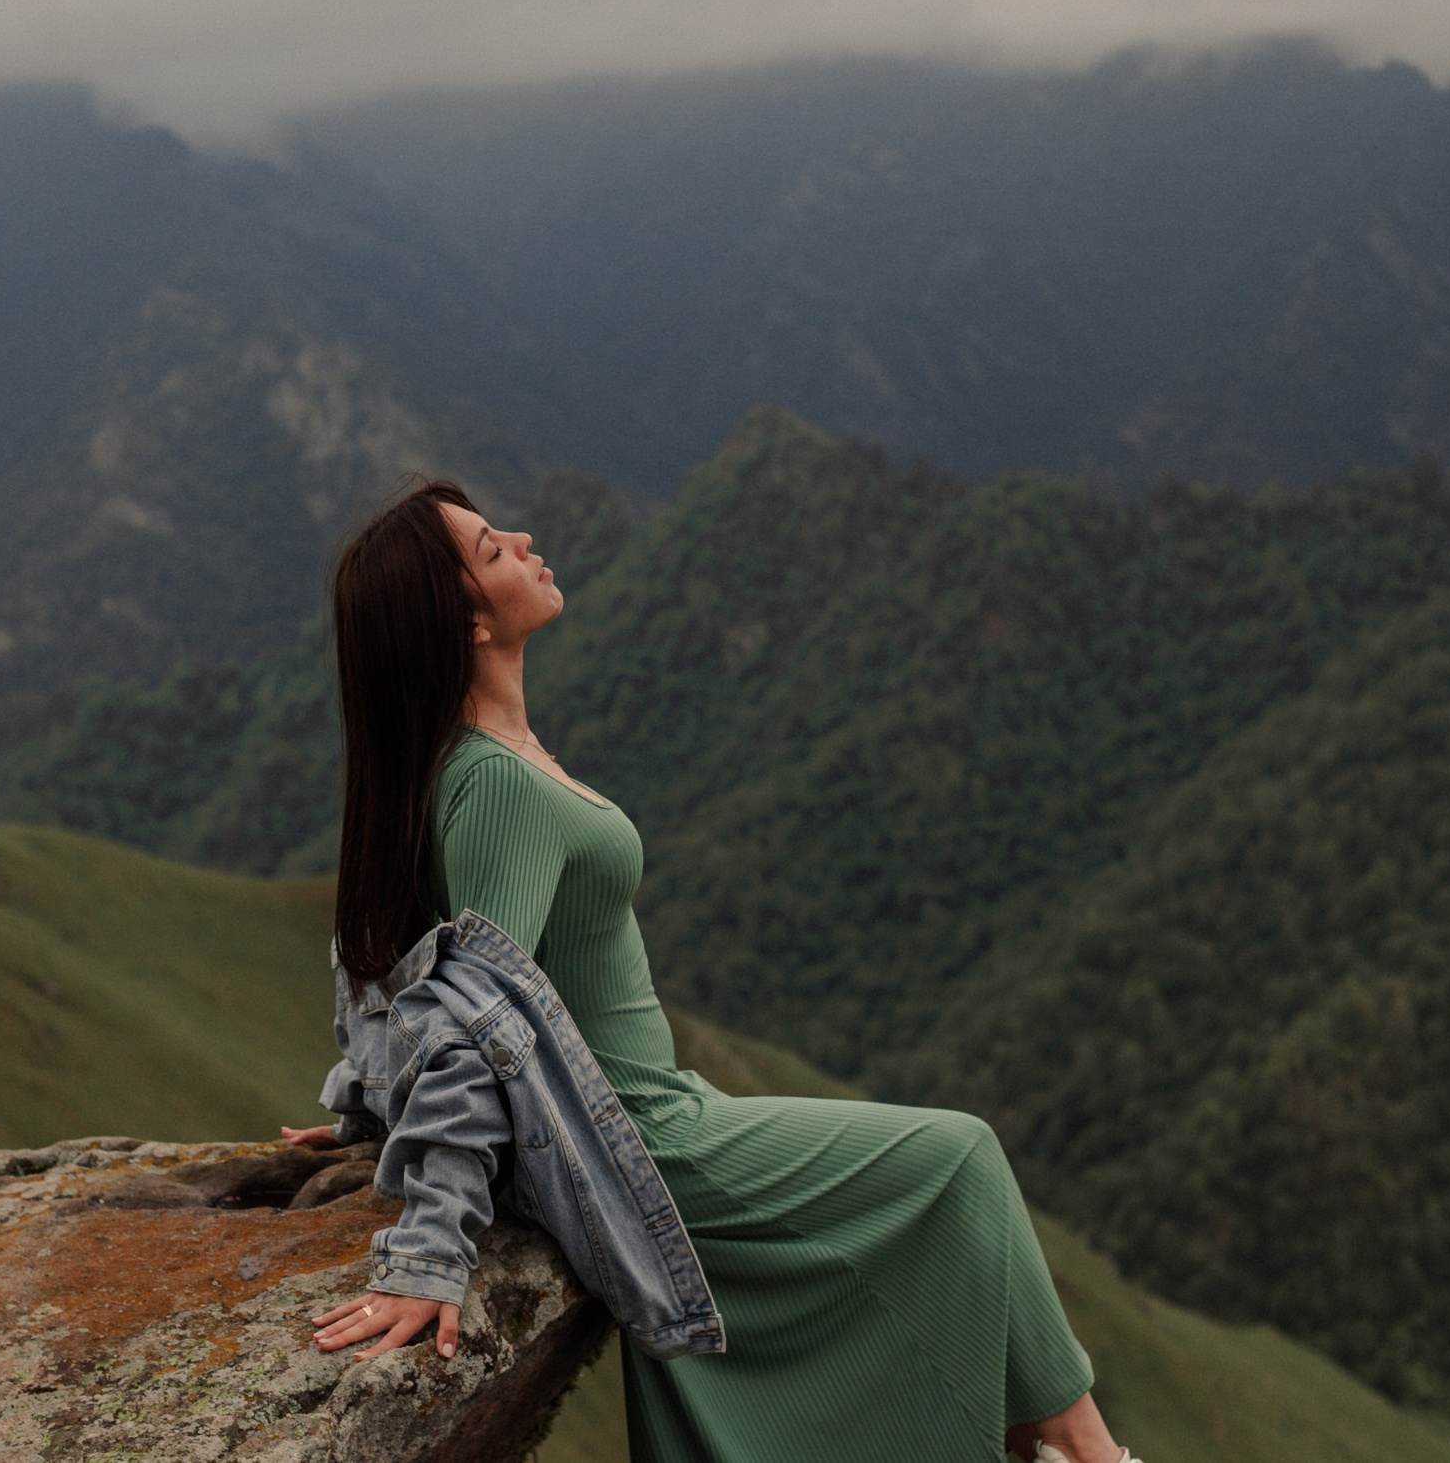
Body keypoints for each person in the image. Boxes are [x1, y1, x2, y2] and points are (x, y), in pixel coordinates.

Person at [281, 479, 1135, 1463]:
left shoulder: (490, 761)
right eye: (491, 548)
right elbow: (474, 1017)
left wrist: (375, 1108)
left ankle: (1051, 1446)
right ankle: (1090, 1454)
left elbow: (410, 963)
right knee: (961, 1160)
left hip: (667, 1108)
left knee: (948, 1212)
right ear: (468, 620)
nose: (523, 537)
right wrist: (429, 1252)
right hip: (649, 1139)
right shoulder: (496, 787)